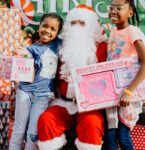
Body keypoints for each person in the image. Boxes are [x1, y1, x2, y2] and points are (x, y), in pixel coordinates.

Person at [37, 4, 108, 150]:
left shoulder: (103, 48)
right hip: (64, 103)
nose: (76, 27)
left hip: (90, 106)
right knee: (46, 120)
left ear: (91, 27)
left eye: (82, 23)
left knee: (91, 124)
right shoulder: (60, 47)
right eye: (73, 23)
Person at [9, 13, 63, 150]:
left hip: (43, 96)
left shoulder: (58, 45)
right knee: (18, 131)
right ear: (39, 26)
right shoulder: (29, 49)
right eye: (44, 26)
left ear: (57, 33)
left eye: (52, 29)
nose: (47, 31)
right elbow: (20, 67)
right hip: (24, 93)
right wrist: (19, 55)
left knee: (33, 134)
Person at [103, 0, 145, 150]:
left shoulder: (133, 31)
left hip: (128, 93)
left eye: (118, 7)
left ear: (130, 12)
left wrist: (129, 92)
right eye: (111, 7)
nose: (113, 10)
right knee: (110, 135)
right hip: (112, 92)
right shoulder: (113, 32)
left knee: (123, 134)